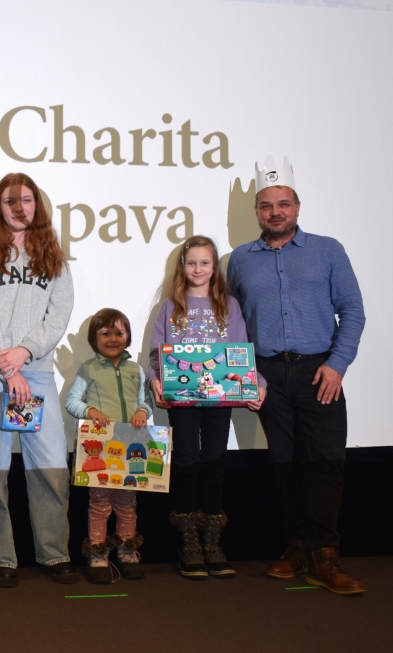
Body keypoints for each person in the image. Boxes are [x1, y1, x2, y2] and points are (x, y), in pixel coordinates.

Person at [227, 156, 366, 595]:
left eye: (283, 204)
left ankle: (326, 554)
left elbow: (353, 311)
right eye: (266, 206)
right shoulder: (239, 260)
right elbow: (233, 324)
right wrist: (245, 377)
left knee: (325, 464)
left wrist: (337, 364)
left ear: (298, 207)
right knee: (284, 464)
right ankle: (297, 548)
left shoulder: (328, 250)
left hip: (319, 372)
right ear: (257, 211)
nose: (276, 212)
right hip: (268, 375)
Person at [0, 172, 76, 588]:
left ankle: (54, 553)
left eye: (26, 200)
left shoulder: (54, 259)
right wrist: (8, 369)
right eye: (10, 201)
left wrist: (25, 353)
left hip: (36, 370)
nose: (18, 208)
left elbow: (58, 315)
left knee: (50, 463)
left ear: (36, 205)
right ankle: (3, 557)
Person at [146, 236, 266, 580]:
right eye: (191, 263)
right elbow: (156, 353)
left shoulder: (229, 305)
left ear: (214, 268)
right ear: (182, 267)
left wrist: (258, 383)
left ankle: (212, 541)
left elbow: (241, 351)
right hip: (182, 399)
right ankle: (189, 543)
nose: (198, 269)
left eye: (204, 263)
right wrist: (154, 380)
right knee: (186, 460)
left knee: (214, 461)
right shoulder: (171, 306)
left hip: (219, 398)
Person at [65, 309, 152, 583]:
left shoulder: (135, 370)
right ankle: (98, 555)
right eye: (105, 333)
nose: (113, 339)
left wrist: (143, 412)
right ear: (94, 338)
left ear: (128, 337)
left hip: (130, 449)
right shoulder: (88, 368)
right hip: (99, 450)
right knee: (99, 504)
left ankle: (127, 551)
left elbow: (145, 401)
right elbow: (72, 401)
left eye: (119, 333)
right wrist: (89, 411)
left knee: (127, 504)